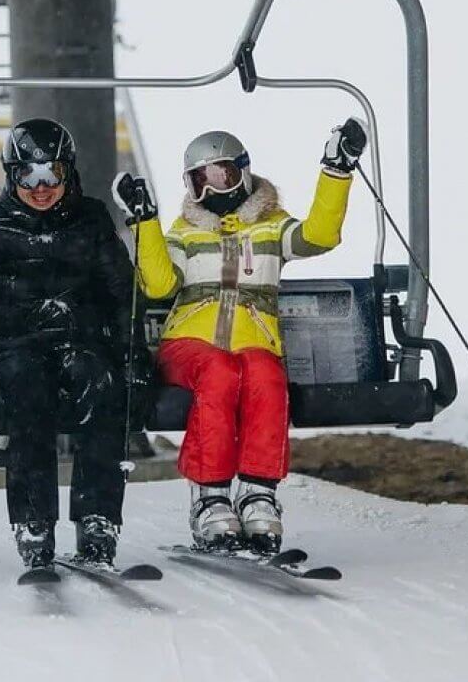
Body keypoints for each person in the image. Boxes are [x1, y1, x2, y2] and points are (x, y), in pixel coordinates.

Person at [0, 117, 151, 571]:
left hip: (80, 341)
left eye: (51, 174)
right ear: (11, 175)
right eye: (28, 175)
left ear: (67, 172)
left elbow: (122, 291)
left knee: (103, 383)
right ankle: (34, 523)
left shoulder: (90, 219)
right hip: (12, 345)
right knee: (26, 388)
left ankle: (97, 520)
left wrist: (132, 349)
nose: (41, 187)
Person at [112, 119, 367, 553]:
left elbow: (319, 236)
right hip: (189, 345)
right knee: (219, 369)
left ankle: (257, 490)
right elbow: (157, 285)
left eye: (222, 174)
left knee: (265, 376)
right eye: (200, 180)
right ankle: (210, 494)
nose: (212, 189)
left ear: (244, 172)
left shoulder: (271, 226)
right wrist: (144, 222)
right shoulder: (185, 232)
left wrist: (336, 171)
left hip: (255, 341)